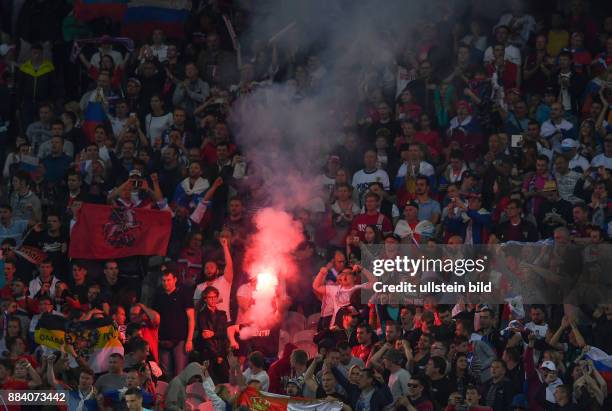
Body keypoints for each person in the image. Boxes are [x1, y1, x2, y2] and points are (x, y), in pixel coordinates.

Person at [153, 270, 195, 379]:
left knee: (180, 374)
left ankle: (180, 395)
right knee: (166, 374)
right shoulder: (158, 296)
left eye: (168, 280)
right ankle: (169, 395)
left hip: (180, 340)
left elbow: (191, 317)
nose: (166, 283)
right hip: (163, 340)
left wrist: (189, 340)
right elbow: (155, 319)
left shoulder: (183, 294)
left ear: (175, 280)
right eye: (163, 280)